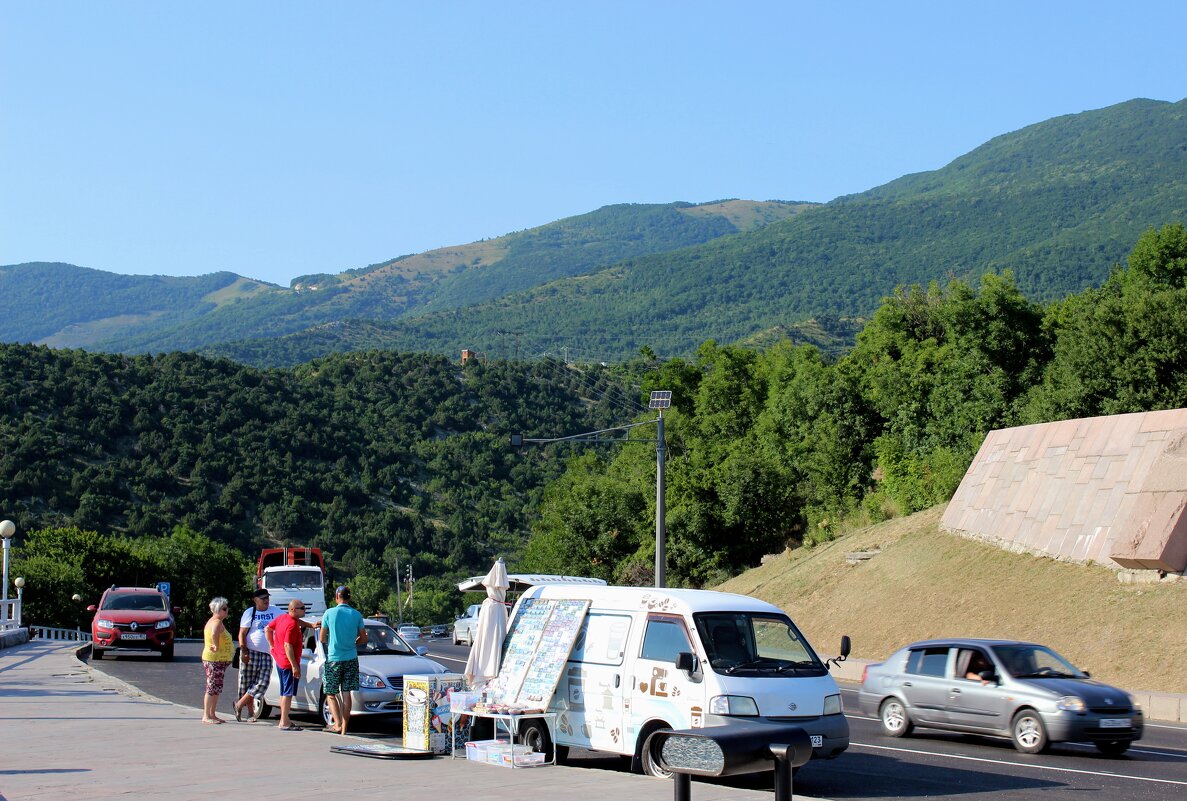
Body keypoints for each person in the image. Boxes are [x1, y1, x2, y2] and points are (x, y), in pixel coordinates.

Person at [320, 585, 367, 735]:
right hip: (351, 658)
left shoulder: (329, 613)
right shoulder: (356, 614)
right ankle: (345, 727)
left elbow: (322, 637)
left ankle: (337, 723)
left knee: (331, 693)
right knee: (346, 693)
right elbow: (364, 638)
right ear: (350, 598)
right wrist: (353, 642)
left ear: (336, 597)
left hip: (334, 658)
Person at [233, 589, 281, 722]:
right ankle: (250, 713)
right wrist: (244, 651)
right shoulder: (250, 612)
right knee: (247, 683)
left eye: (267, 598)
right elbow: (242, 633)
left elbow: (288, 619)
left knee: (262, 683)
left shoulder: (275, 611)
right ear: (255, 600)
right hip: (250, 652)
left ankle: (239, 704)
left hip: (267, 654)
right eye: (263, 598)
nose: (266, 600)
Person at [265, 599, 307, 731]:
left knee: (284, 692)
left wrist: (272, 645)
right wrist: (294, 665)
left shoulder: (283, 618)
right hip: (288, 663)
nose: (304, 610)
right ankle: (284, 721)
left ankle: (285, 720)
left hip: (280, 660)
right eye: (302, 608)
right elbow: (287, 645)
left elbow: (268, 629)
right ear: (293, 609)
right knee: (287, 693)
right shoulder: (292, 625)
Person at [201, 596, 234, 724]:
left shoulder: (215, 621)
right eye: (224, 609)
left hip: (218, 659)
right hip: (214, 659)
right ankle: (206, 715)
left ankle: (212, 714)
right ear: (217, 610)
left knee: (216, 687)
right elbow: (214, 633)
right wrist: (216, 645)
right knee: (212, 686)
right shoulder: (216, 622)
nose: (227, 611)